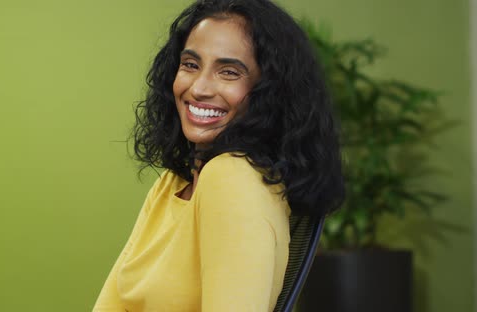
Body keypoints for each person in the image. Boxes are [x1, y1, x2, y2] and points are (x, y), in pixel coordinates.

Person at [93, 0, 344, 310]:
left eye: (228, 72)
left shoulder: (232, 178)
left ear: (268, 91)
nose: (198, 87)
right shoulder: (172, 184)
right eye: (190, 64)